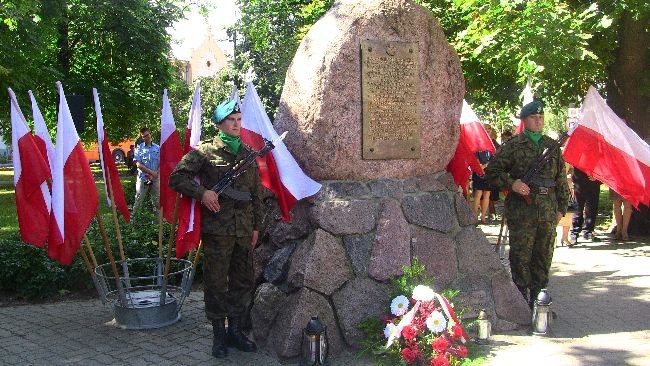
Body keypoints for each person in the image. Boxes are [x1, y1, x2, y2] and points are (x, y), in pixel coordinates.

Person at [169, 99, 265, 358]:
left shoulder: (248, 153)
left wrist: (257, 226)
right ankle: (218, 336)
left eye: (238, 120)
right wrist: (203, 193)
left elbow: (256, 193)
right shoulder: (204, 152)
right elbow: (176, 178)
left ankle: (235, 330)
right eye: (230, 120)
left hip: (244, 230)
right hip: (218, 230)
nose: (236, 124)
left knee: (242, 281)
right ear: (220, 124)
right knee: (215, 283)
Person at [485, 99, 569, 309]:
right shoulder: (513, 146)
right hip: (523, 211)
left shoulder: (552, 146)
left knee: (543, 256)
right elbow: (491, 172)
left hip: (547, 210)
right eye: (534, 117)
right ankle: (521, 304)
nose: (539, 121)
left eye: (541, 117)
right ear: (525, 121)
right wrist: (513, 184)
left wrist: (561, 208)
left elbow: (561, 179)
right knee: (521, 257)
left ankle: (540, 302)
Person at [568, 168, 601, 244]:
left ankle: (588, 231)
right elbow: (573, 163)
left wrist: (597, 177)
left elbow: (603, 166)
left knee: (592, 208)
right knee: (578, 208)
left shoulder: (600, 155)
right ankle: (574, 233)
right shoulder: (579, 155)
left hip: (594, 182)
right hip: (580, 180)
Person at [133, 127, 160, 213]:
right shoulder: (139, 148)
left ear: (150, 134)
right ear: (142, 137)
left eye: (147, 135)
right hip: (143, 178)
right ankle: (134, 224)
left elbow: (162, 163)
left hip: (155, 179)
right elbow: (138, 164)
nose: (147, 137)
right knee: (138, 202)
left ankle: (157, 224)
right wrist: (151, 172)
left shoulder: (158, 148)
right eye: (144, 136)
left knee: (157, 203)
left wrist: (156, 173)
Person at [472, 148, 492, 224]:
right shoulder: (477, 150)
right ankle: (475, 215)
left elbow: (493, 161)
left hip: (488, 173)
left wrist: (487, 165)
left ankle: (483, 216)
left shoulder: (490, 150)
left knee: (487, 194)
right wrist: (481, 166)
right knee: (478, 193)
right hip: (478, 172)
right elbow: (475, 161)